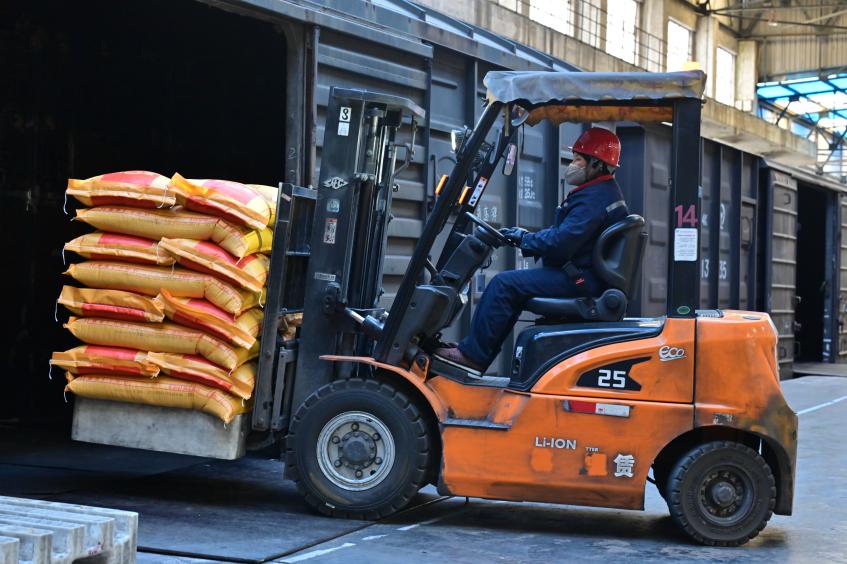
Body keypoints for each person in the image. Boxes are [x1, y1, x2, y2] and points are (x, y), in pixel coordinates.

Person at [434, 127, 629, 373]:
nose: (573, 164)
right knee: (514, 287)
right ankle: (476, 353)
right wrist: (526, 237)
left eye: (579, 159)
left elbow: (562, 242)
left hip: (581, 279)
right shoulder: (599, 193)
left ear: (597, 164)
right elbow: (565, 235)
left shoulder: (594, 198)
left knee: (504, 285)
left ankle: (472, 355)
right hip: (584, 274)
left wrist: (525, 239)